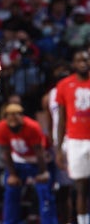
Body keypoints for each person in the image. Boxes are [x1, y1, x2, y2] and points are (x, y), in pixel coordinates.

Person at [0, 103, 57, 224]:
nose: (13, 118)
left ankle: (49, 221)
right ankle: (9, 221)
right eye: (10, 116)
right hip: (19, 161)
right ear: (5, 117)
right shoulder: (1, 127)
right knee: (11, 189)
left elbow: (40, 153)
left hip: (39, 162)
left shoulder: (32, 127)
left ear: (22, 116)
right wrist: (12, 174)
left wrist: (43, 172)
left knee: (44, 190)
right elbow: (6, 153)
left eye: (16, 115)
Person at [55, 49, 90, 224]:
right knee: (81, 188)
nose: (83, 62)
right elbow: (61, 120)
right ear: (74, 64)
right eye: (79, 60)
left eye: (86, 59)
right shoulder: (64, 85)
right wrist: (59, 148)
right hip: (75, 140)